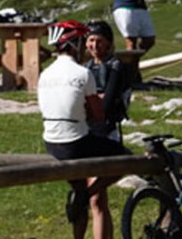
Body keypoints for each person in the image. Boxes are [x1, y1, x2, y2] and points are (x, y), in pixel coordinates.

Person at [38, 20, 131, 239]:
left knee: (81, 192)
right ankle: (84, 196)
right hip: (79, 140)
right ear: (76, 44)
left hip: (51, 142)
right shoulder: (82, 73)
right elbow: (100, 113)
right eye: (86, 41)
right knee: (124, 159)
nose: (90, 46)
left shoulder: (44, 75)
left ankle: (81, 205)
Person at [84, 19, 133, 142]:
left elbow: (109, 100)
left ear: (108, 43)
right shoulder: (85, 67)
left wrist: (90, 100)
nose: (95, 46)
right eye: (91, 40)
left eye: (99, 41)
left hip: (108, 125)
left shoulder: (116, 66)